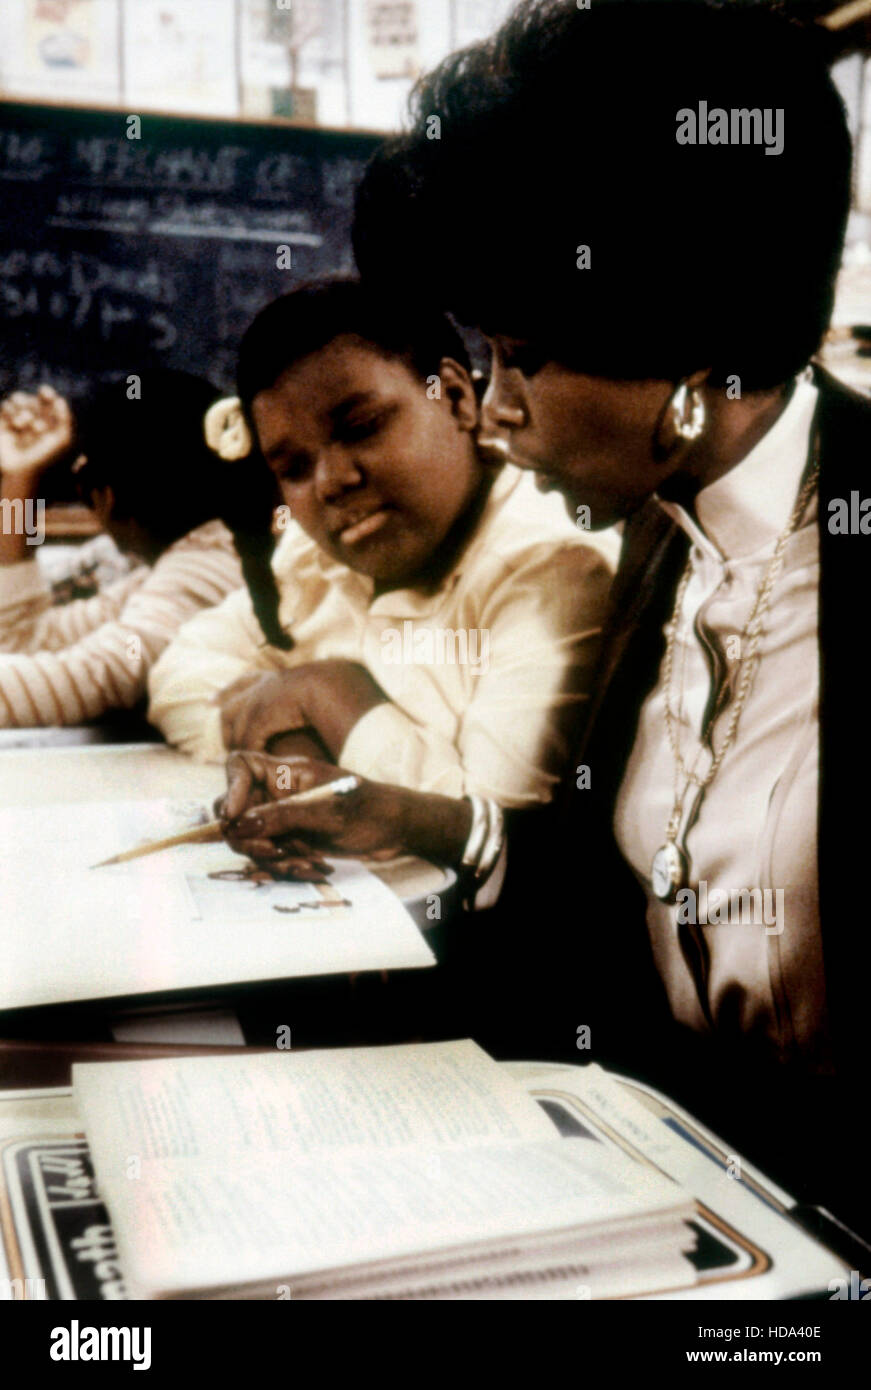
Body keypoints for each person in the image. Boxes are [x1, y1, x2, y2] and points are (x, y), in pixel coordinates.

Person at [349, 0, 871, 1232]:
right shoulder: (658, 537)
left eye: (517, 353)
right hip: (669, 1182)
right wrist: (434, 822)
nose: (488, 409)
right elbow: (627, 891)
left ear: (692, 363)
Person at [147, 279, 618, 883]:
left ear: (454, 397)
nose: (330, 482)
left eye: (362, 426)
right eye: (293, 468)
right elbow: (181, 672)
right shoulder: (318, 559)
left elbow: (495, 832)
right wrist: (294, 750)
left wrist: (333, 693)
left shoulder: (553, 566)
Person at [0, 371, 244, 726]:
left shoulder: (208, 570)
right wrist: (21, 477)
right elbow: (22, 639)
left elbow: (84, 679)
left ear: (107, 497)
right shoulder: (192, 560)